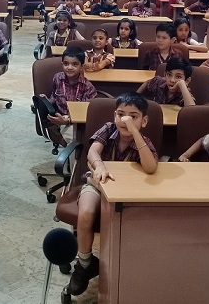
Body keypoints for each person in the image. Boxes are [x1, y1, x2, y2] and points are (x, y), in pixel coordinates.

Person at [68, 92, 157, 296]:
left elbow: (151, 167)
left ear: (144, 121)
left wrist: (135, 132)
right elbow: (93, 152)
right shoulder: (108, 129)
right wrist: (99, 166)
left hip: (125, 195)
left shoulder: (143, 141)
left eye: (133, 116)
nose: (125, 120)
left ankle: (122, 267)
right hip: (97, 185)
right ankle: (84, 263)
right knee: (85, 214)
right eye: (120, 114)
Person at [34, 47, 97, 149]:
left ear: (82, 66)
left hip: (78, 121)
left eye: (75, 64)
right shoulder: (58, 78)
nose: (69, 67)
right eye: (66, 64)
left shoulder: (87, 86)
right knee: (72, 141)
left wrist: (67, 120)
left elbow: (87, 112)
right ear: (62, 64)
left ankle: (74, 158)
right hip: (60, 117)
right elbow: (55, 96)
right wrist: (46, 101)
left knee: (77, 141)